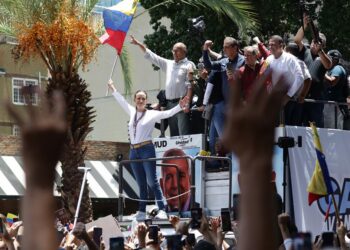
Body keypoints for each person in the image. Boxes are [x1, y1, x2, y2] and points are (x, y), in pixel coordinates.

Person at [108, 80, 189, 221]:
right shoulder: (132, 111)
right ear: (134, 100)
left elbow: (167, 114)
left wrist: (179, 107)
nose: (140, 100)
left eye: (143, 98)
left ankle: (162, 209)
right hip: (133, 151)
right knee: (141, 183)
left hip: (146, 149)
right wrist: (113, 87)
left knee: (152, 181)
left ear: (146, 101)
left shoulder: (151, 114)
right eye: (138, 98)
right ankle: (141, 211)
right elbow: (121, 100)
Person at [130, 35, 196, 137]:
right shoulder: (169, 63)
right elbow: (152, 56)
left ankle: (185, 153)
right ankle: (176, 153)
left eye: (177, 51)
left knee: (183, 135)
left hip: (181, 102)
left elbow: (191, 86)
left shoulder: (189, 65)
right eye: (173, 51)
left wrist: (187, 102)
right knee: (174, 135)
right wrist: (138, 44)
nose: (174, 53)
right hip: (169, 104)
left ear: (184, 51)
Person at [294, 14, 332, 127]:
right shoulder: (304, 50)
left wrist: (320, 51)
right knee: (298, 126)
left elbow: (328, 64)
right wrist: (304, 25)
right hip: (301, 96)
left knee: (315, 129)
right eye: (314, 41)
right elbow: (296, 39)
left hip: (315, 99)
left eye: (318, 42)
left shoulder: (323, 57)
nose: (314, 43)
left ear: (323, 45)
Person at [266, 35, 304, 125]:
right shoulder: (268, 59)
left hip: (288, 101)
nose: (270, 47)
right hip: (273, 100)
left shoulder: (290, 59)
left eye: (273, 44)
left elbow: (300, 77)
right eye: (269, 45)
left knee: (286, 130)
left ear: (281, 45)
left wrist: (288, 96)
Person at [202, 37, 245, 103]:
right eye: (223, 47)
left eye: (226, 47)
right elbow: (208, 66)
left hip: (242, 102)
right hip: (227, 103)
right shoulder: (223, 62)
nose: (224, 50)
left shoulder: (244, 61)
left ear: (235, 47)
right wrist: (205, 49)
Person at [160, 148, 191, 212]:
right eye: (169, 177)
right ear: (162, 186)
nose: (175, 185)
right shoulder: (157, 218)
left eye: (180, 176)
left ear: (190, 181)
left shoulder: (202, 214)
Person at [324, 49, 348, 129]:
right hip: (332, 104)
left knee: (332, 129)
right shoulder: (334, 68)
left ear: (334, 59)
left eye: (328, 57)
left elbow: (332, 81)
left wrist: (322, 74)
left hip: (334, 105)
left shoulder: (337, 68)